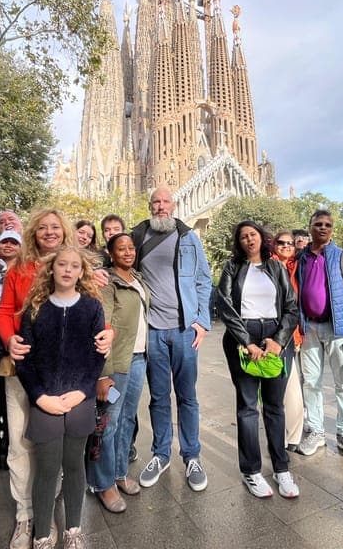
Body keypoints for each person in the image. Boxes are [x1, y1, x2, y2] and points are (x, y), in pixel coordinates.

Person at [0, 209, 111, 548]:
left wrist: (108, 336)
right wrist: (9, 340)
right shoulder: (21, 273)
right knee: (21, 445)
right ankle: (28, 519)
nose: (49, 232)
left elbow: (96, 329)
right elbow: (5, 312)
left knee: (69, 459)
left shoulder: (87, 287)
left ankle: (67, 521)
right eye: (42, 227)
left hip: (74, 386)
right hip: (30, 372)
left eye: (55, 228)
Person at [16, 246, 106, 549]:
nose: (68, 270)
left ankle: (73, 530)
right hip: (45, 400)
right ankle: (42, 533)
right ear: (51, 269)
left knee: (75, 465)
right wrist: (40, 397)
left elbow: (97, 356)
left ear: (82, 272)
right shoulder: (35, 309)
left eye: (74, 266)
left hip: (80, 398)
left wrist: (82, 391)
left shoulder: (92, 308)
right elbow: (24, 361)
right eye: (62, 264)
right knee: (47, 468)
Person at [131, 186, 212, 491]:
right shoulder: (138, 237)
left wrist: (201, 321)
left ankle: (191, 456)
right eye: (156, 202)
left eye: (165, 201)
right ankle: (161, 454)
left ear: (173, 205)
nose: (161, 206)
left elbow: (204, 280)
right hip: (152, 330)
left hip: (183, 331)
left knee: (187, 396)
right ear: (149, 205)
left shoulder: (189, 237)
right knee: (158, 397)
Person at [215, 221, 300, 499]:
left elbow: (291, 306)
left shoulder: (276, 267)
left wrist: (279, 339)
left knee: (275, 405)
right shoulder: (232, 267)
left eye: (252, 234)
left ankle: (281, 468)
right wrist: (247, 342)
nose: (248, 240)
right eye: (242, 236)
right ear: (238, 242)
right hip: (244, 335)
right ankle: (251, 471)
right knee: (248, 406)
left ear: (262, 238)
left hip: (275, 336)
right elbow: (225, 306)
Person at [294, 210, 343, 464]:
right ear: (310, 227)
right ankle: (315, 430)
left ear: (332, 229)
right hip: (310, 329)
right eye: (318, 224)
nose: (323, 228)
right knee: (311, 382)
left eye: (327, 225)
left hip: (339, 329)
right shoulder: (301, 258)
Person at [87, 232, 149, 513]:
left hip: (138, 359)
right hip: (116, 362)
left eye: (130, 248)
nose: (127, 252)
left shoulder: (137, 278)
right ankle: (103, 483)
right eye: (120, 249)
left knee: (126, 420)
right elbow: (103, 325)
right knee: (106, 424)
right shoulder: (108, 282)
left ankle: (120, 472)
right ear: (110, 253)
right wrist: (103, 373)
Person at [0, 230, 23, 472]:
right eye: (4, 242)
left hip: (13, 339)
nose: (8, 246)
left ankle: (9, 444)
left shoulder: (24, 270)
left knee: (12, 397)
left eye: (14, 242)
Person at [271, 231, 305, 452]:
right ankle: (281, 433)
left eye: (289, 243)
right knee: (279, 386)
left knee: (294, 385)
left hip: (295, 333)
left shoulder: (297, 267)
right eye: (281, 243)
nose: (285, 246)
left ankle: (292, 436)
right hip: (273, 334)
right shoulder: (266, 266)